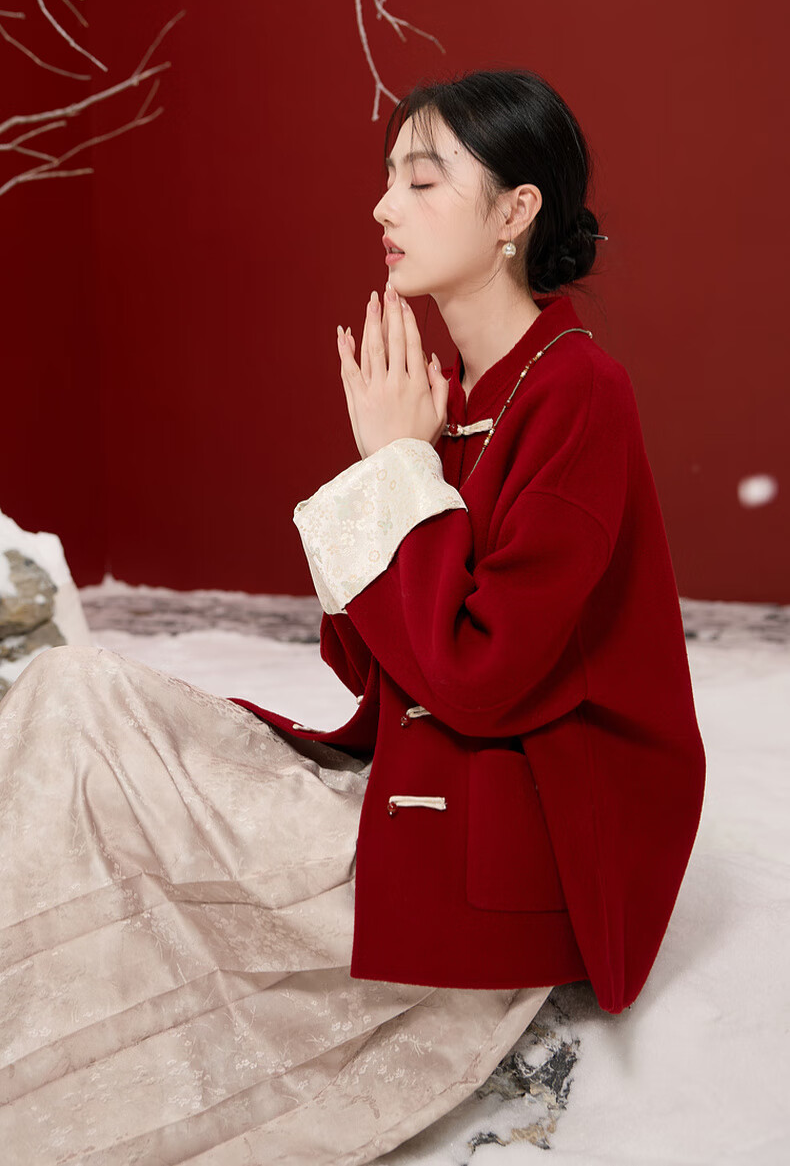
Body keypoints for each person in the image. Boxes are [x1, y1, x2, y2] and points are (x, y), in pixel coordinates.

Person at [0, 67, 705, 1164]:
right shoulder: (457, 396)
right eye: (386, 179)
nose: (383, 206)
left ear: (516, 210)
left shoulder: (578, 392)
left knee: (96, 747)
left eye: (421, 180)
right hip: (428, 769)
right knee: (69, 691)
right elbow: (371, 664)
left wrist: (395, 470)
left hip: (519, 831)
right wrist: (401, 460)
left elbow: (475, 677)